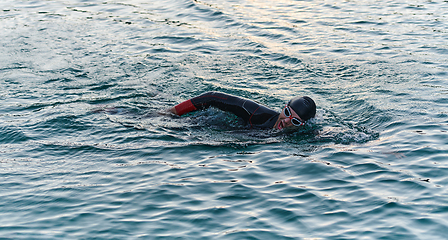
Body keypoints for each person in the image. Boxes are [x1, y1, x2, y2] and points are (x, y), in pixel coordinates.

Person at [168, 91, 316, 130]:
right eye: (288, 113)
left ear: (302, 125)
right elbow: (212, 97)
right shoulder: (256, 112)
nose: (286, 121)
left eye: (295, 121)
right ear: (284, 107)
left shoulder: (301, 137)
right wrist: (173, 112)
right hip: (211, 121)